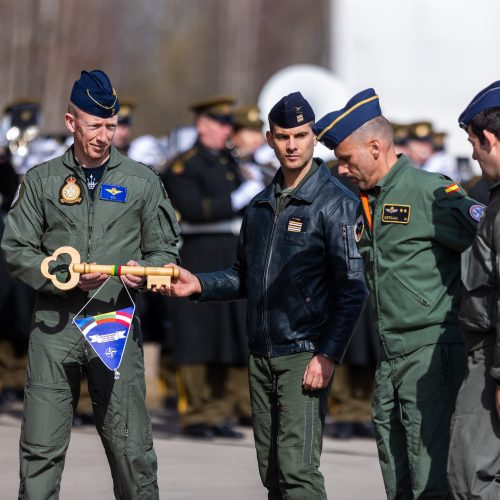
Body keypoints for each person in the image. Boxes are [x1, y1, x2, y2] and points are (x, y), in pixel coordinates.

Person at [155, 91, 368, 499]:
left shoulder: (335, 203)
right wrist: (199, 284)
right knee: (273, 476)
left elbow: (352, 288)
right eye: (283, 136)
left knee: (298, 474)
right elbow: (245, 276)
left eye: (300, 136)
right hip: (261, 355)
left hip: (304, 355)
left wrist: (327, 354)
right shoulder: (259, 206)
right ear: (269, 140)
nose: (292, 145)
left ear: (313, 139)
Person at [1, 69, 180, 499]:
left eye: (111, 125)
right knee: (40, 450)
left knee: (130, 449)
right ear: (71, 123)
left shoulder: (142, 181)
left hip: (113, 319)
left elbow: (166, 251)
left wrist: (145, 268)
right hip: (54, 325)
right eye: (95, 125)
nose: (104, 135)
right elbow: (15, 248)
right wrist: (62, 277)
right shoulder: (42, 180)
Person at [313, 88, 482, 499]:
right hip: (390, 357)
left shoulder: (431, 193)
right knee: (396, 472)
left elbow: (487, 245)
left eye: (347, 159)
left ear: (375, 147)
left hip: (433, 355)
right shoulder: (365, 202)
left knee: (433, 476)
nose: (341, 170)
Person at [161, 96, 263, 439]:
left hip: (229, 250)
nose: (226, 130)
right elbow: (191, 208)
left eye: (228, 125)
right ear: (202, 124)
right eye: (220, 124)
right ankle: (195, 414)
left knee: (227, 334)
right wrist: (236, 199)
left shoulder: (230, 162)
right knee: (197, 336)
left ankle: (219, 411)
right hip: (200, 252)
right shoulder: (184, 165)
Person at [447, 80, 500, 499]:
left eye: (474, 143)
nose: (473, 155)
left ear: (490, 139)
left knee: (471, 476)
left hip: (492, 358)